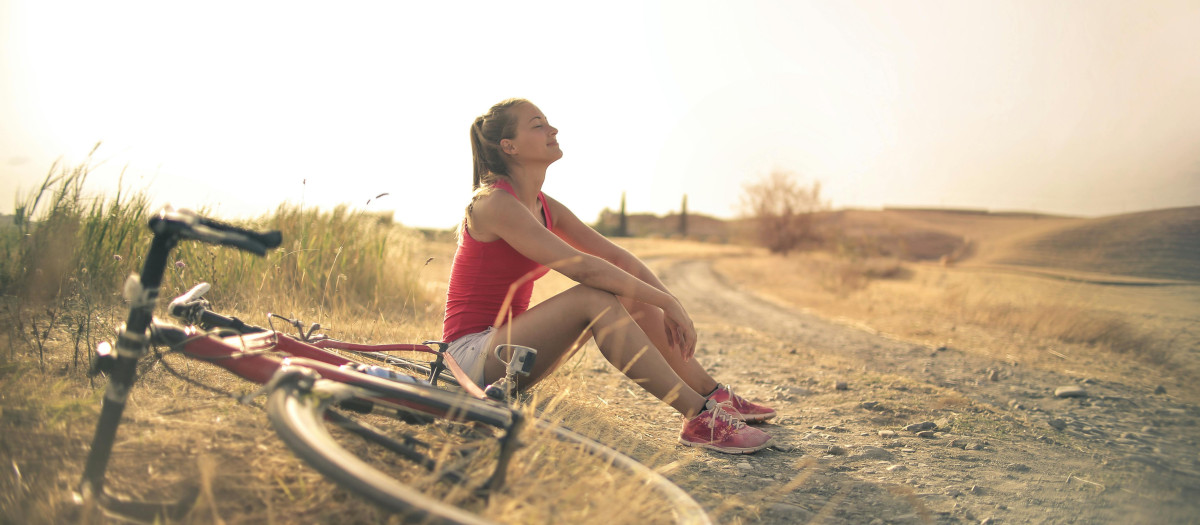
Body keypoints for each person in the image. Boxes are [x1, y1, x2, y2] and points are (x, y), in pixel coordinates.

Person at [443, 98, 776, 454]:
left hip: (511, 355)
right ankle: (698, 416)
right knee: (594, 296)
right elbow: (582, 266)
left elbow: (616, 256)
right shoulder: (494, 203)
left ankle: (713, 395)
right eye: (538, 125)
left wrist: (668, 303)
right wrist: (665, 301)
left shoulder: (543, 205)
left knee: (631, 291)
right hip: (468, 359)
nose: (552, 130)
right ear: (509, 146)